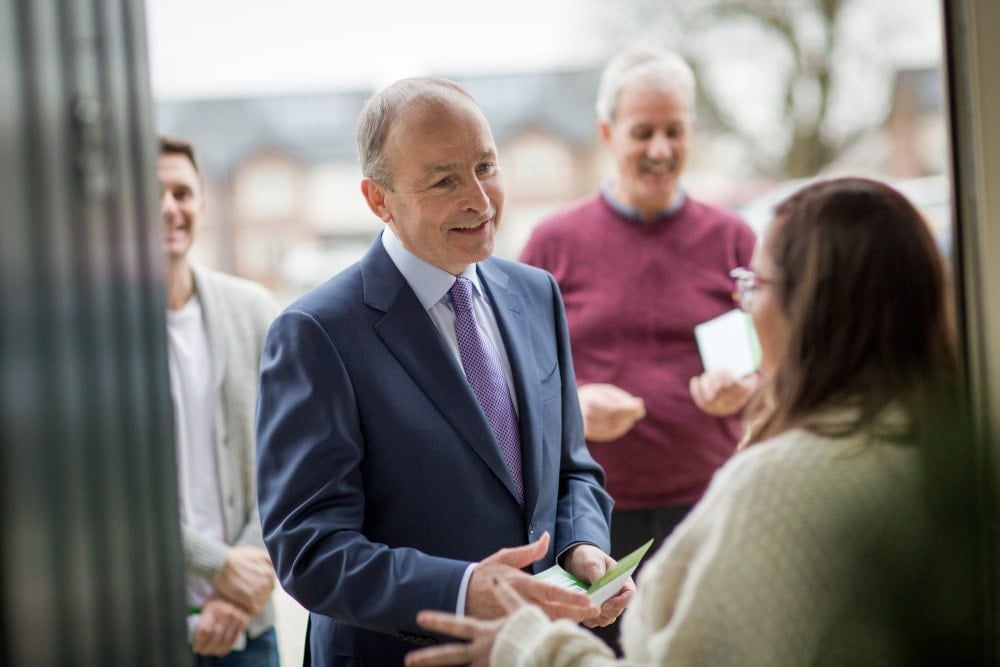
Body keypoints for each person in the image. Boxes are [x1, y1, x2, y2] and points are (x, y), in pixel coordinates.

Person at [405, 176, 962, 666]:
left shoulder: (783, 487)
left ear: (814, 308)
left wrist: (528, 647)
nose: (744, 305)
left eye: (754, 285)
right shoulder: (944, 454)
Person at [255, 76, 630, 666]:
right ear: (379, 200)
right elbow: (309, 550)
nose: (480, 200)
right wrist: (459, 590)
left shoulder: (535, 294)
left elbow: (572, 470)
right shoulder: (316, 332)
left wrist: (583, 545)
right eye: (444, 180)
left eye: (486, 166)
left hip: (530, 649)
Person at [517, 46, 758, 649]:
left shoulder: (734, 239)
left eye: (674, 131)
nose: (660, 148)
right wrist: (570, 405)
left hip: (709, 506)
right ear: (607, 133)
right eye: (643, 131)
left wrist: (746, 390)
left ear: (691, 132)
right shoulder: (553, 243)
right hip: (591, 521)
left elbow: (779, 367)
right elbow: (511, 379)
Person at [158, 135, 282, 665]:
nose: (169, 208)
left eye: (182, 192)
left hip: (247, 627)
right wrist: (216, 564)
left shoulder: (253, 310)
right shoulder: (92, 336)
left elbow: (290, 461)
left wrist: (241, 580)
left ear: (202, 205)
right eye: (150, 193)